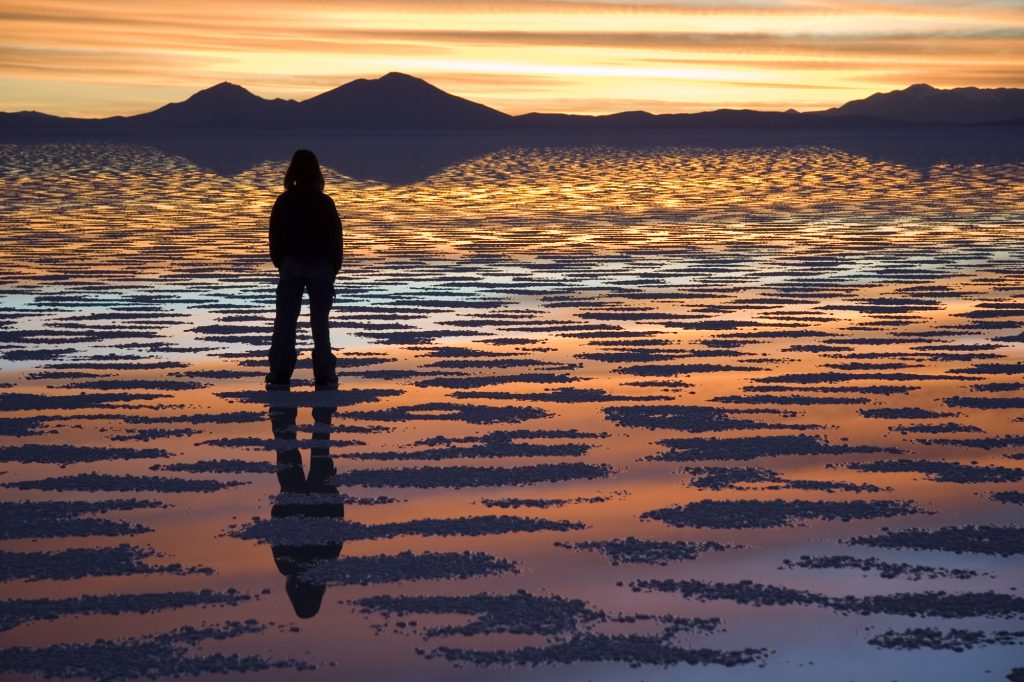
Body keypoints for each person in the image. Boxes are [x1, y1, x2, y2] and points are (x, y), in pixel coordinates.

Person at [266, 149, 343, 388]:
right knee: (320, 324)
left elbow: (274, 236)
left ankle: (279, 373)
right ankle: (325, 375)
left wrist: (281, 262)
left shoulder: (284, 201)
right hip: (321, 267)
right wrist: (333, 269)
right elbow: (336, 238)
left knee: (285, 323)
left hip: (292, 265)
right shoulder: (324, 202)